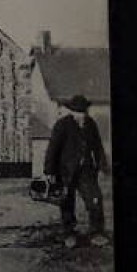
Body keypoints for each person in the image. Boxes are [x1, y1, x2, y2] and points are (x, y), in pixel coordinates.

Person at [44, 94, 109, 247]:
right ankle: (69, 234)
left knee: (95, 199)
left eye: (84, 111)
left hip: (86, 171)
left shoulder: (91, 124)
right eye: (79, 112)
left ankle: (96, 232)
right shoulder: (62, 125)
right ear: (72, 112)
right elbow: (52, 149)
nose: (82, 115)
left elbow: (98, 147)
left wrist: (103, 166)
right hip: (65, 172)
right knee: (66, 202)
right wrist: (49, 172)